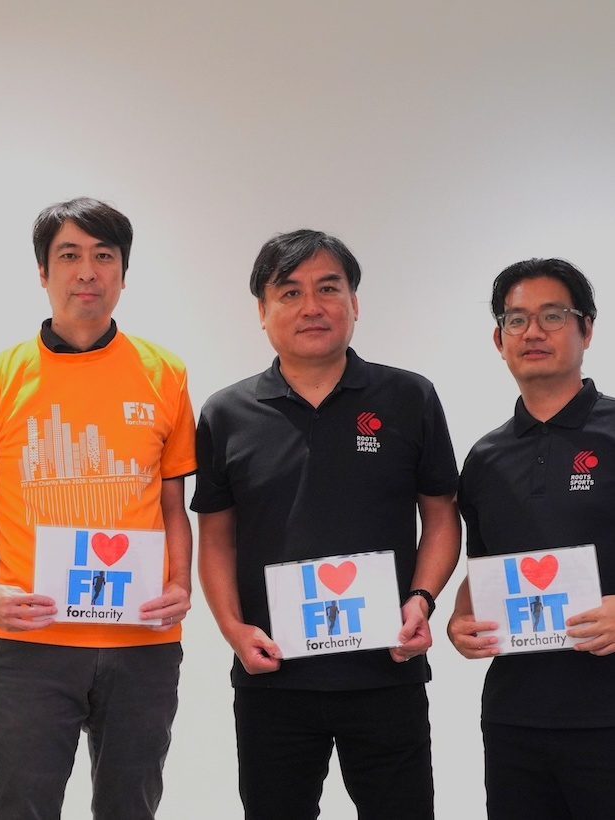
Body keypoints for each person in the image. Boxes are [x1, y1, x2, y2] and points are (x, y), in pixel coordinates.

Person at [0, 197, 196, 820]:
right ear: (43, 271)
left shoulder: (165, 375)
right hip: (32, 642)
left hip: (142, 640)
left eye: (104, 256)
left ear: (123, 273)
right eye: (69, 255)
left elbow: (175, 509)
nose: (87, 271)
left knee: (130, 808)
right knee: (22, 808)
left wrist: (180, 584)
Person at [192, 229, 461, 820]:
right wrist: (233, 629)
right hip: (272, 677)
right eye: (289, 292)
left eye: (329, 288)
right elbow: (215, 538)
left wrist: (421, 599)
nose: (311, 306)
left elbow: (442, 515)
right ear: (262, 312)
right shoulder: (226, 414)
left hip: (387, 669)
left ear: (354, 302)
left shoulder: (409, 397)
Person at [447, 258, 615, 820]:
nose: (533, 332)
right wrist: (460, 619)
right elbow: (484, 565)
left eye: (552, 316)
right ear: (499, 340)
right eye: (516, 320)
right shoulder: (485, 458)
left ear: (586, 328)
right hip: (514, 720)